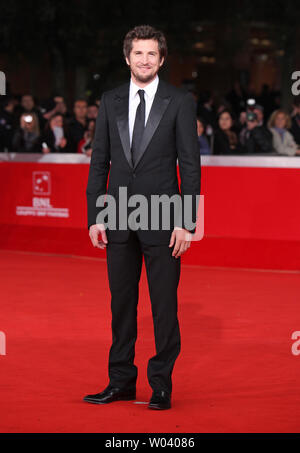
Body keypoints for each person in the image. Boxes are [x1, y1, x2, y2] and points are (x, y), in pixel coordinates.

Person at [84, 25, 201, 410]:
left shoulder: (180, 101)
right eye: (139, 54)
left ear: (162, 59)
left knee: (164, 306)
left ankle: (161, 384)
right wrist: (96, 215)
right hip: (117, 214)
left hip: (165, 217)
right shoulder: (111, 100)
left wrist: (188, 221)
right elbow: (100, 161)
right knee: (121, 305)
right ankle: (120, 381)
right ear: (127, 58)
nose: (145, 60)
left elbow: (190, 163)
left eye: (152, 54)